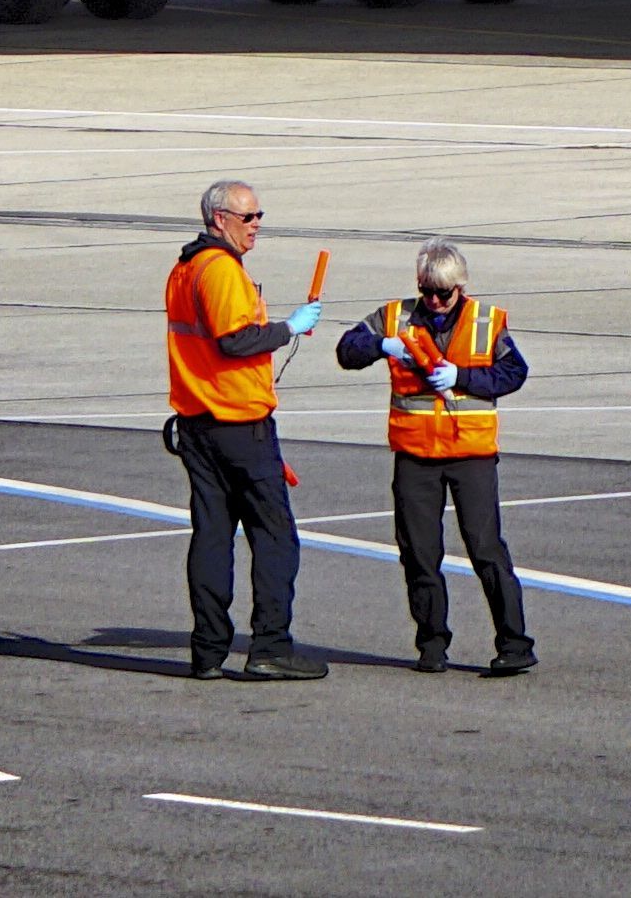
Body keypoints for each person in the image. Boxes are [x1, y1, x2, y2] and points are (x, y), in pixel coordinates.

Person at [336, 241, 534, 675]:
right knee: (419, 553)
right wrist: (382, 346)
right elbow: (347, 350)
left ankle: (515, 643)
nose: (435, 301)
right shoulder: (396, 317)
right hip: (416, 455)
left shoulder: (486, 322)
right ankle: (431, 643)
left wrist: (461, 376)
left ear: (460, 287)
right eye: (427, 291)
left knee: (486, 549)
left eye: (443, 293)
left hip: (470, 456)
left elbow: (514, 372)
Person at [161, 179, 325, 681]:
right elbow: (236, 341)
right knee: (275, 537)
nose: (256, 226)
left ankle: (208, 650)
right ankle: (270, 646)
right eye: (247, 217)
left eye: (258, 216)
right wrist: (289, 328)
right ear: (219, 220)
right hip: (238, 425)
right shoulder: (220, 270)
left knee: (212, 536)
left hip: (197, 423)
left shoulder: (184, 269)